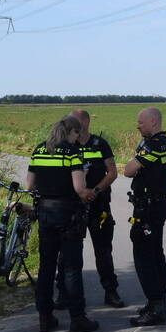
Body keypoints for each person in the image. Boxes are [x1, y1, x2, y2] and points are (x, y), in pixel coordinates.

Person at [26, 115, 99, 332]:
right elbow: (79, 188)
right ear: (73, 132)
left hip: (46, 213)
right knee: (71, 267)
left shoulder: (40, 150)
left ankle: (45, 317)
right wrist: (84, 177)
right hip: (68, 214)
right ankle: (78, 318)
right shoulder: (72, 152)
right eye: (78, 134)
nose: (78, 139)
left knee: (46, 267)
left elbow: (29, 185)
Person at [53, 109, 124, 309]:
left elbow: (113, 172)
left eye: (73, 121)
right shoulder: (66, 146)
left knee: (103, 251)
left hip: (98, 205)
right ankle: (63, 293)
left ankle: (111, 291)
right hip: (72, 208)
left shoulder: (100, 144)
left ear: (85, 123)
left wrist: (96, 190)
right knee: (66, 253)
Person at [122, 107, 166, 326]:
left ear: (153, 122)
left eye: (140, 122)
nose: (137, 125)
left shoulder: (154, 145)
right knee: (155, 252)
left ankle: (156, 307)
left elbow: (128, 170)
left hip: (149, 208)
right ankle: (158, 300)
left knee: (144, 255)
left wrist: (134, 163)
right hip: (156, 205)